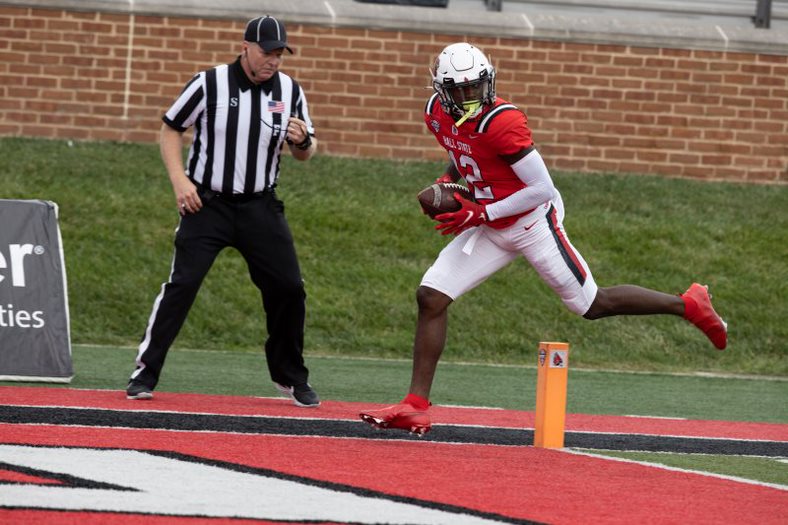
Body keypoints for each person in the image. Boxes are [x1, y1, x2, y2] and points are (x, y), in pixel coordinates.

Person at [359, 42, 727, 435]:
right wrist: (449, 181)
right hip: (491, 220)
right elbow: (464, 147)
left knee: (591, 305)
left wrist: (479, 212)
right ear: (442, 91)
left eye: (476, 86)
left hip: (533, 222)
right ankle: (416, 404)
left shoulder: (503, 120)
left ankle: (688, 304)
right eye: (460, 90)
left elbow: (542, 188)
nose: (470, 96)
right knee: (431, 296)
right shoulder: (436, 112)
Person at [126, 15, 320, 407]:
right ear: (245, 46)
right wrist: (181, 182)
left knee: (289, 288)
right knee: (182, 285)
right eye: (267, 53)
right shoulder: (208, 82)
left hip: (260, 206)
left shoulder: (289, 89)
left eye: (280, 54)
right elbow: (170, 128)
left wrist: (303, 142)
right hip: (207, 204)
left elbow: (306, 153)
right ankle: (144, 373)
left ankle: (290, 377)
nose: (273, 62)